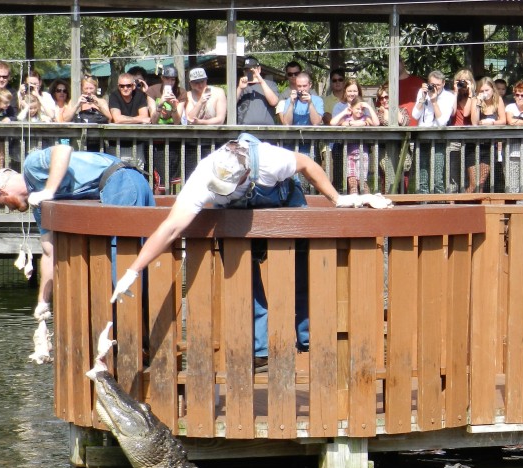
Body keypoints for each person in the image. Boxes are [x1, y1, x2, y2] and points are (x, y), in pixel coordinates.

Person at [109, 135, 392, 369]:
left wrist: (339, 199)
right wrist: (134, 270)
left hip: (284, 201)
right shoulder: (202, 180)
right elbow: (169, 228)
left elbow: (306, 164)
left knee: (301, 270)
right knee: (242, 272)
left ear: (245, 174)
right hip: (237, 218)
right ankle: (260, 350)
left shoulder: (268, 160)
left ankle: (308, 339)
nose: (220, 193)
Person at [0, 144, 154, 322]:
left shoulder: (31, 167)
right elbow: (49, 253)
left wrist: (49, 191)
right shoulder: (40, 208)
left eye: (1, 202)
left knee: (122, 256)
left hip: (121, 181)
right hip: (129, 183)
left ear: (2, 190)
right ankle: (142, 334)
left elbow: (63, 150)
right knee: (144, 254)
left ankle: (126, 334)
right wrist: (43, 301)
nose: (6, 207)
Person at [411, 70, 456, 194]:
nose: (434, 87)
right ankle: (422, 206)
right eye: (432, 84)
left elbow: (442, 122)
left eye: (438, 85)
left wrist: (434, 102)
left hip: (439, 139)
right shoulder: (422, 92)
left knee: (438, 178)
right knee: (422, 177)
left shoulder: (449, 97)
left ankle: (440, 206)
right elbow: (415, 115)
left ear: (443, 83)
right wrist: (423, 98)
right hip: (422, 137)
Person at [331, 98, 377, 194]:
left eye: (362, 109)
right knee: (352, 182)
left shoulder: (365, 118)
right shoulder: (347, 118)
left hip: (363, 153)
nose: (360, 111)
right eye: (357, 109)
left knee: (362, 180)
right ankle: (354, 200)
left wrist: (368, 107)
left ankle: (367, 198)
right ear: (351, 108)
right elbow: (333, 123)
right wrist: (344, 113)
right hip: (349, 154)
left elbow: (376, 123)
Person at [469, 76, 506, 193]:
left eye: (487, 90)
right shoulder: (475, 100)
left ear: (492, 89)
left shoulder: (498, 100)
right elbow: (474, 122)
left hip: (489, 146)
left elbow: (503, 120)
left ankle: (476, 209)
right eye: (482, 91)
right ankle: (462, 205)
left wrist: (492, 122)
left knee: (481, 184)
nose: (485, 93)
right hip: (474, 146)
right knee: (474, 184)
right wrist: (478, 104)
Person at [236, 56, 278, 125]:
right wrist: (240, 88)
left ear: (259, 69)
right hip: (245, 130)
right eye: (247, 70)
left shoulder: (270, 84)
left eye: (252, 70)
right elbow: (229, 106)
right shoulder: (240, 86)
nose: (249, 72)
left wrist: (261, 81)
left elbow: (274, 102)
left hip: (267, 130)